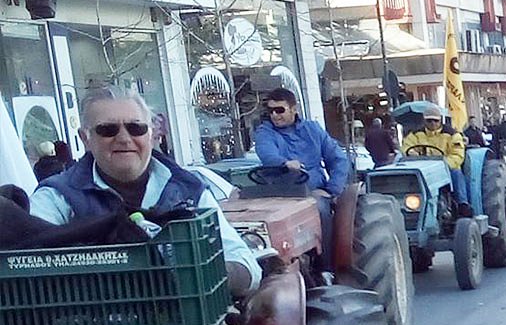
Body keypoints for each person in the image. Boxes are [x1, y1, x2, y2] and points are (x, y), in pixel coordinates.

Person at [28, 85, 261, 295]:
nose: (123, 138)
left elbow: (246, 265)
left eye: (136, 128)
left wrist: (201, 273)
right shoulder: (55, 196)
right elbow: (26, 268)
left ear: (152, 134)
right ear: (85, 138)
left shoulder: (189, 189)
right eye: (107, 130)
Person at [254, 87, 350, 271]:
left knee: (320, 208)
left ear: (293, 109)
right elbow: (267, 154)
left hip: (313, 191)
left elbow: (338, 159)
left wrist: (332, 190)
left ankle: (327, 268)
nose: (275, 115)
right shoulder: (265, 132)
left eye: (280, 110)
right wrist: (284, 163)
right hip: (280, 193)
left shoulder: (312, 130)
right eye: (271, 111)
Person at [402, 104, 472, 217]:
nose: (433, 124)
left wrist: (443, 165)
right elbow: (406, 147)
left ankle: (462, 204)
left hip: (446, 168)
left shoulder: (452, 135)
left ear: (440, 120)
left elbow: (457, 155)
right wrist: (411, 153)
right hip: (424, 168)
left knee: (456, 173)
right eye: (429, 121)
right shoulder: (415, 135)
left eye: (435, 121)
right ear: (424, 121)